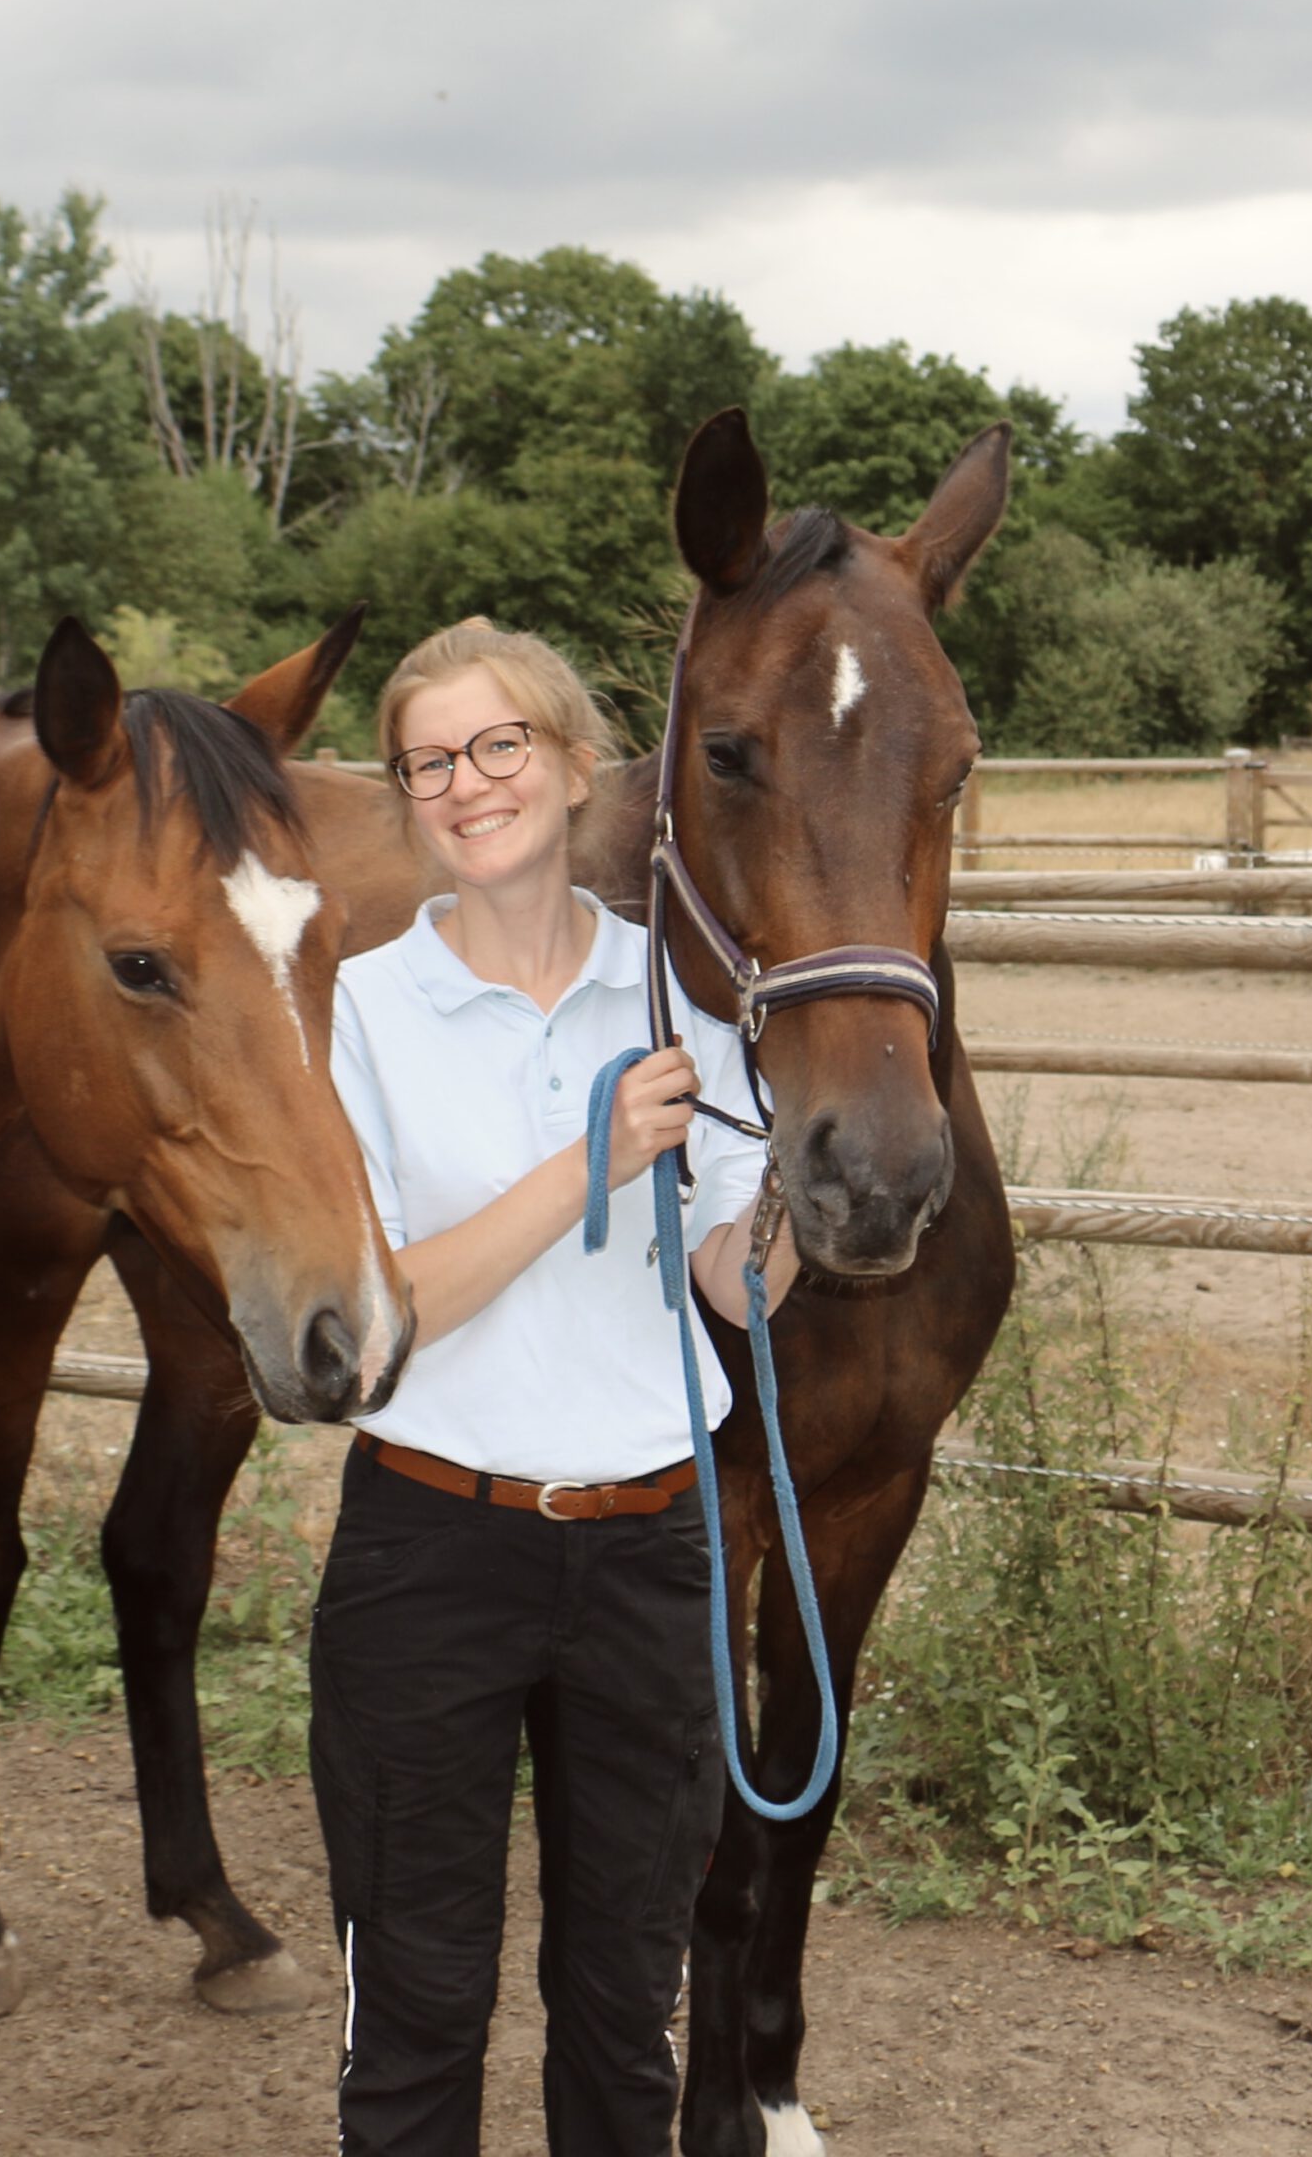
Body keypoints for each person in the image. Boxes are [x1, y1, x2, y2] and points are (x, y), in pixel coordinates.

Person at [311, 618, 798, 2157]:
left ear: (576, 766)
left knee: (619, 2014)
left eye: (499, 745)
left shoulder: (685, 1003)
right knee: (417, 2001)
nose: (467, 782)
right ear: (409, 799)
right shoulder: (360, 1010)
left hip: (655, 1555)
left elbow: (738, 1286)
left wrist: (802, 1164)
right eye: (430, 761)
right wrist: (585, 1162)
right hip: (427, 1554)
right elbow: (380, 1317)